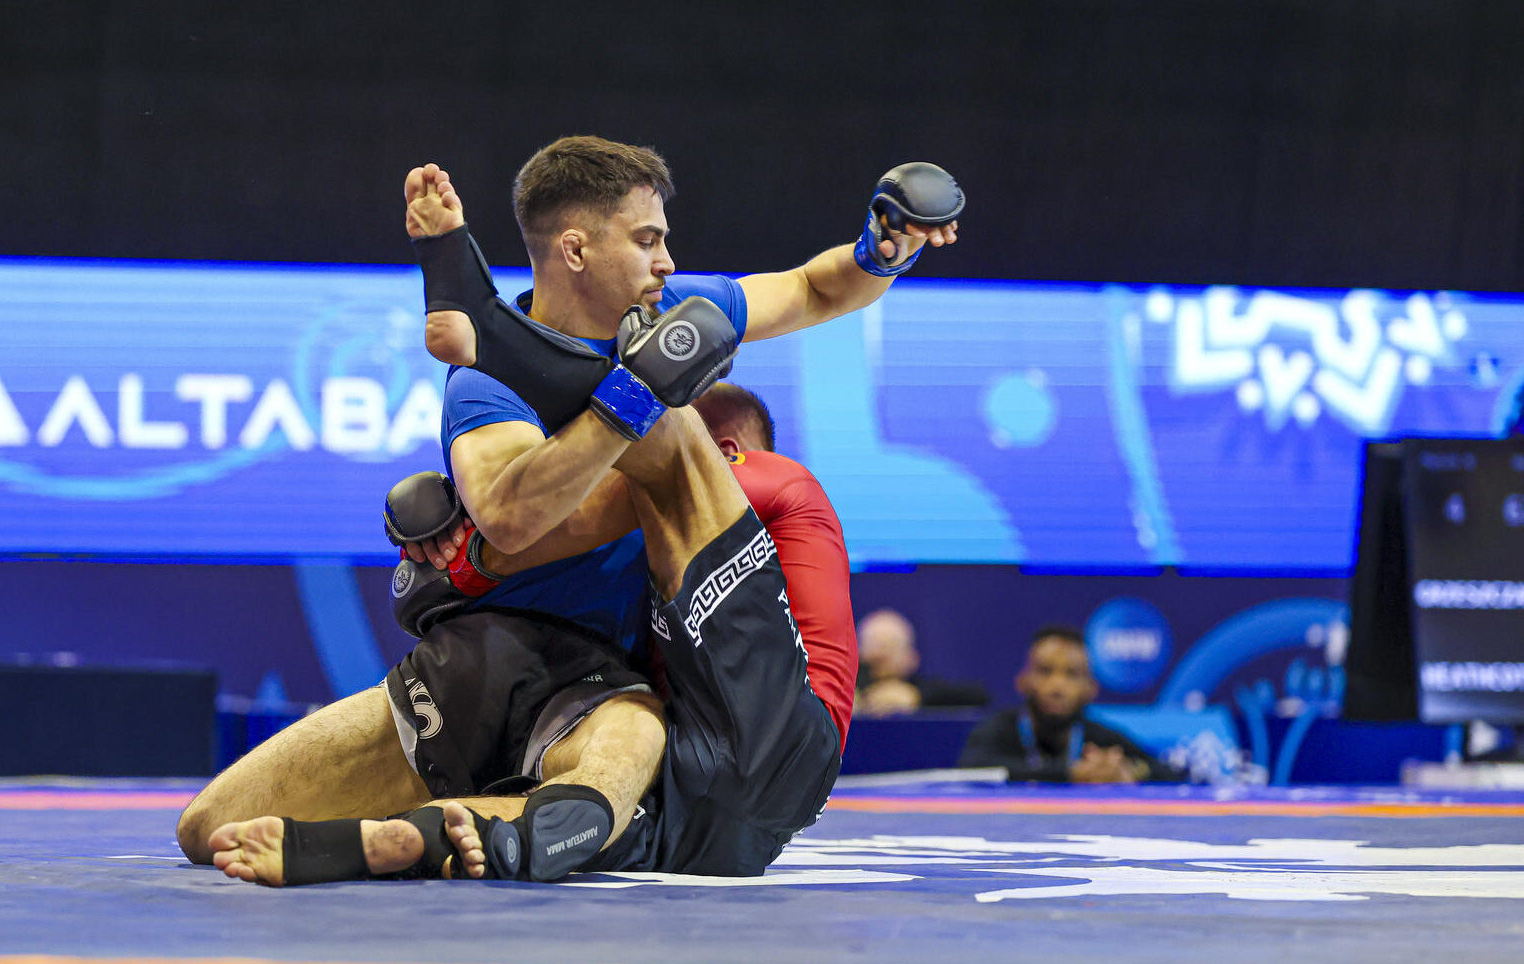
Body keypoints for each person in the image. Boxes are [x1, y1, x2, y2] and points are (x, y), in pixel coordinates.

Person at [177, 136, 955, 879]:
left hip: (601, 684)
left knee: (609, 768)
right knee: (208, 825)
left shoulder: (670, 309)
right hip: (493, 660)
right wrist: (631, 399)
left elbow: (817, 288)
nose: (667, 261)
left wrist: (882, 253)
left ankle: (486, 319)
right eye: (647, 241)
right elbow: (512, 517)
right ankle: (499, 326)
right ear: (576, 250)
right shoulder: (480, 388)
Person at [210, 381, 861, 883]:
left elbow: (593, 499)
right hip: (712, 819)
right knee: (575, 816)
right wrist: (446, 533)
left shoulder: (769, 477)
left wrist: (466, 553)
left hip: (784, 737)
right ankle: (403, 840)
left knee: (665, 425)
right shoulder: (658, 579)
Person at [956, 626, 1178, 783]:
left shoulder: (1101, 739)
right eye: (1045, 671)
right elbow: (973, 768)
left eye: (1072, 674)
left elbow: (1167, 771)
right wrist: (1070, 774)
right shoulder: (998, 730)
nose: (1057, 686)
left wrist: (1130, 771)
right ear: (1023, 680)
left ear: (1091, 688)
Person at [852, 608, 988, 716]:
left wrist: (915, 696)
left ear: (912, 657)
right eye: (872, 645)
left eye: (890, 646)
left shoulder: (922, 689)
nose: (880, 654)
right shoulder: (849, 689)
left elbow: (979, 696)